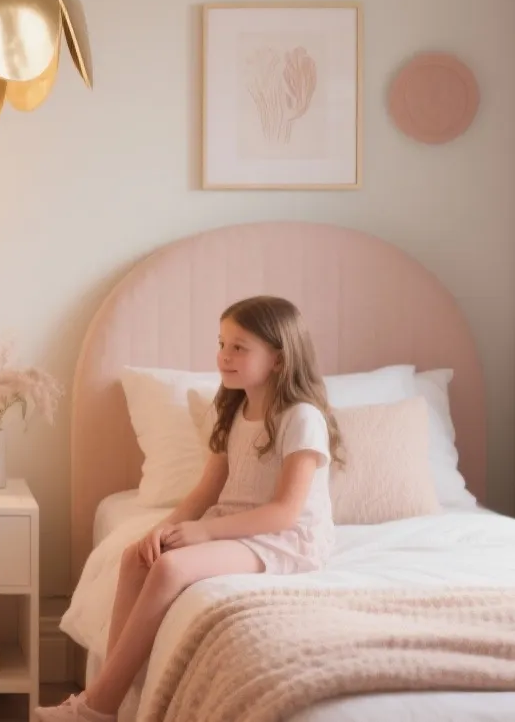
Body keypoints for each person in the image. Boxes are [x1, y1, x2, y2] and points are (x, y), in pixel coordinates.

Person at [37, 295, 344, 722]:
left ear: (278, 357)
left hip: (284, 540)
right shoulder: (232, 409)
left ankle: (96, 707)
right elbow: (204, 494)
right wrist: (159, 531)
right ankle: (112, 697)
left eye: (240, 347)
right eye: (221, 343)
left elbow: (285, 513)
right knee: (138, 558)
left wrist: (204, 533)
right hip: (236, 530)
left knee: (170, 569)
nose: (224, 356)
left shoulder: (300, 417)